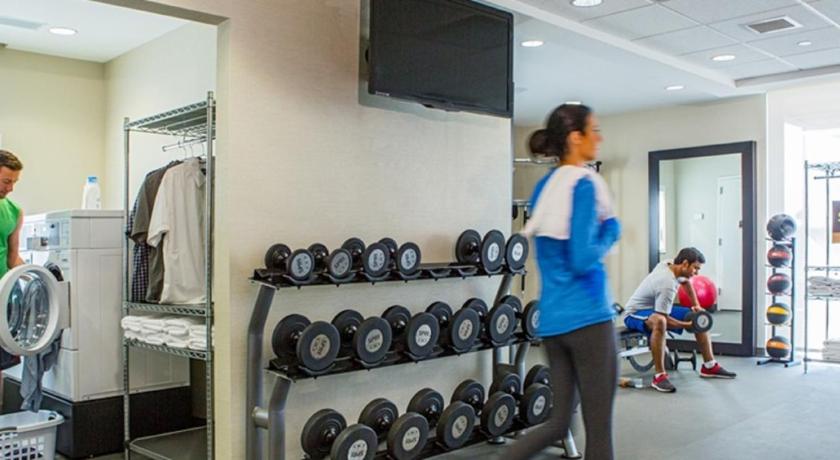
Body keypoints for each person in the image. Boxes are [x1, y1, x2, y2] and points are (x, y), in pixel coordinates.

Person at [509, 104, 621, 460]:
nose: (599, 138)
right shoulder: (584, 184)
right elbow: (583, 257)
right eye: (594, 130)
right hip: (589, 319)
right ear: (575, 138)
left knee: (558, 424)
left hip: (554, 322)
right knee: (599, 432)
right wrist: (611, 230)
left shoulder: (545, 187)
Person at [623, 247, 737, 393]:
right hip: (635, 313)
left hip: (655, 308)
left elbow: (686, 282)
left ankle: (709, 366)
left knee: (698, 316)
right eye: (695, 268)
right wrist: (688, 325)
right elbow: (664, 318)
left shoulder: (670, 264)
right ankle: (659, 377)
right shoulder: (667, 283)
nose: (697, 273)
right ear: (685, 263)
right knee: (660, 322)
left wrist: (696, 306)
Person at [0, 150, 24, 371]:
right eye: (6, 181)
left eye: (14, 182)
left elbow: (12, 257)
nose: (10, 188)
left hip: (3, 294)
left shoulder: (14, 211)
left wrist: (39, 278)